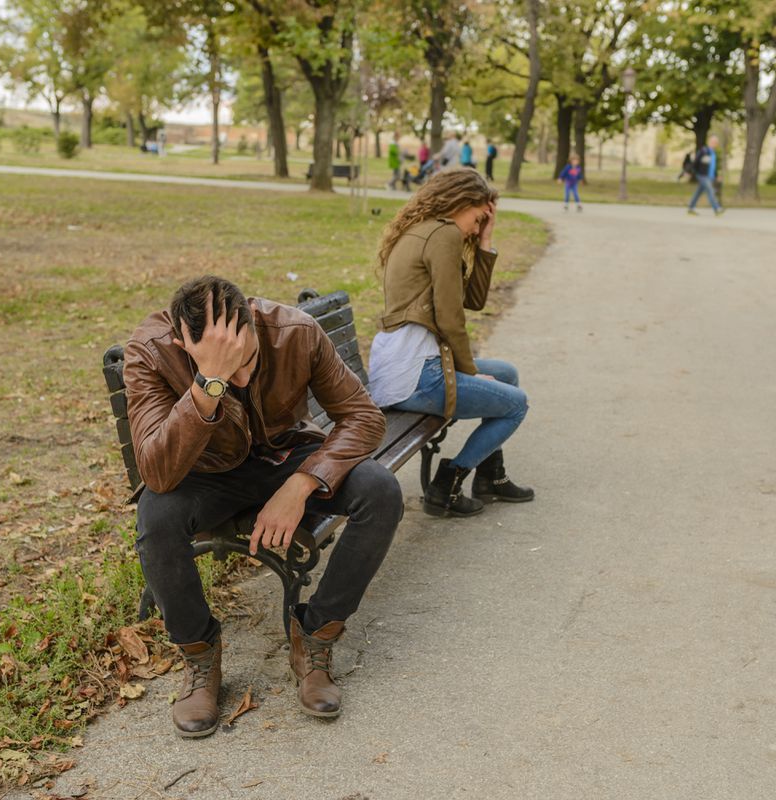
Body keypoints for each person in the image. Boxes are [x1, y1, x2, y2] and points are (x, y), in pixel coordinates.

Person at [124, 276, 403, 737]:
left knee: (381, 489)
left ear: (252, 319)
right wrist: (206, 384)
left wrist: (301, 484)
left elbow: (363, 417)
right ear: (181, 342)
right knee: (157, 516)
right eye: (221, 369)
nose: (241, 379)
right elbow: (157, 473)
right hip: (205, 470)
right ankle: (200, 660)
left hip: (285, 457)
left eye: (245, 359)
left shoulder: (294, 331)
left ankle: (314, 639)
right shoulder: (152, 350)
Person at [368, 169, 535, 518]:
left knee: (506, 373)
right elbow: (449, 319)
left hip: (408, 365)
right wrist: (470, 372)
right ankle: (448, 482)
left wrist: (486, 241)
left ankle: (490, 478)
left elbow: (471, 301)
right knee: (516, 404)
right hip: (415, 374)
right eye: (477, 219)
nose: (476, 228)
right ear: (460, 202)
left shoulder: (428, 230)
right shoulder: (442, 235)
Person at [687, 136, 725, 216]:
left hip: (710, 176)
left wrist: (716, 175)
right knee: (711, 191)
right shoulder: (704, 151)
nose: (714, 144)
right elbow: (696, 161)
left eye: (716, 143)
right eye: (713, 142)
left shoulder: (713, 153)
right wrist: (690, 171)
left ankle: (690, 208)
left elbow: (712, 166)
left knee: (698, 192)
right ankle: (717, 209)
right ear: (709, 142)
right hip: (702, 175)